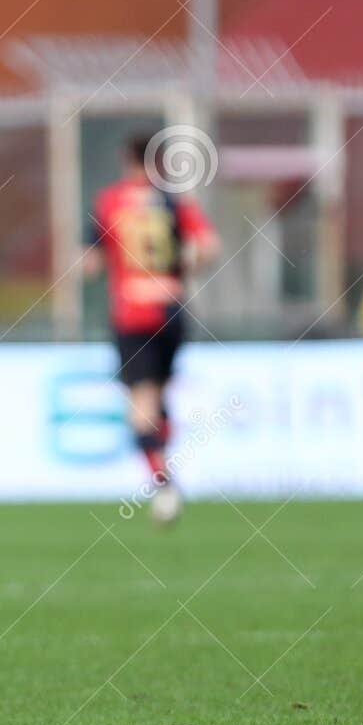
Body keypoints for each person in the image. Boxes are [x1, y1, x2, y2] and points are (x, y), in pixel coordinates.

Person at [85, 133, 220, 524]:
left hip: (133, 313)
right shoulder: (173, 201)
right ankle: (166, 473)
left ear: (125, 158)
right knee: (159, 398)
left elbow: (90, 262)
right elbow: (208, 245)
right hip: (172, 308)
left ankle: (164, 485)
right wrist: (182, 269)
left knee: (139, 409)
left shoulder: (111, 201)